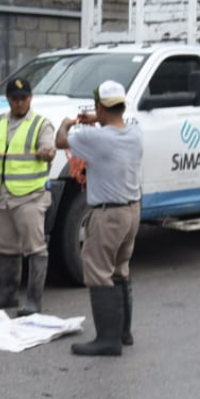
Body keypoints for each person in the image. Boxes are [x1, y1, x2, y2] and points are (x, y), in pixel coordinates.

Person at [56, 80, 143, 356]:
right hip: (131, 211)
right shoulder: (135, 134)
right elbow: (113, 123)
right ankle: (123, 332)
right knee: (120, 269)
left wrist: (68, 123)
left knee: (97, 272)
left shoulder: (94, 138)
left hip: (108, 214)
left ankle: (107, 339)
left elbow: (60, 141)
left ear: (99, 107)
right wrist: (99, 117)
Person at [0, 76, 56, 315]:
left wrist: (46, 153)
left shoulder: (41, 124)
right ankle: (8, 293)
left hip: (29, 196)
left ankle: (33, 300)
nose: (19, 103)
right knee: (6, 246)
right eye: (15, 99)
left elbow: (49, 149)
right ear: (8, 100)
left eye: (23, 98)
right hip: (2, 194)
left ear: (30, 98)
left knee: (35, 248)